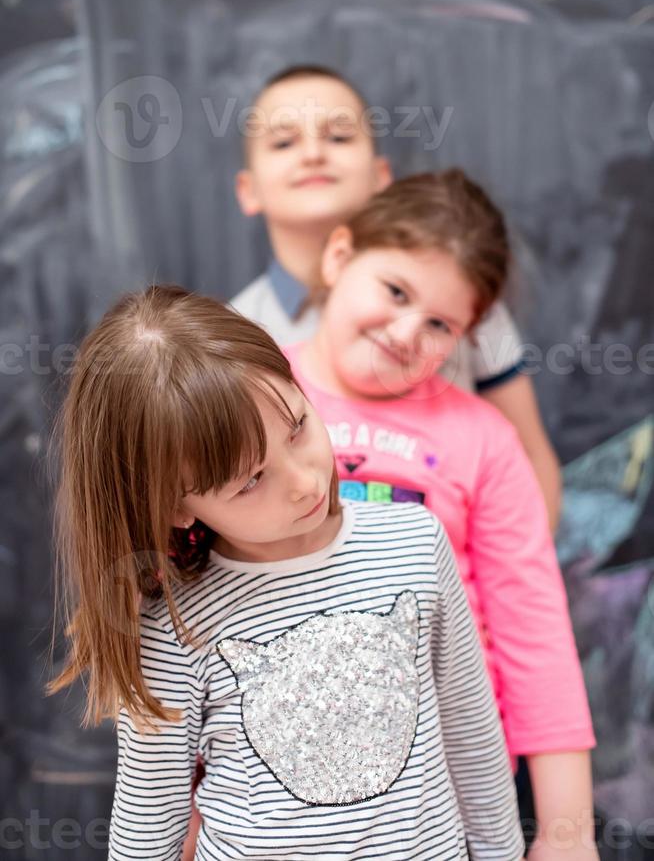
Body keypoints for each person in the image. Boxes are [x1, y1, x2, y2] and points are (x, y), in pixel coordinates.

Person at [48, 285, 524, 860]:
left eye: (297, 425)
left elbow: (472, 737)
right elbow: (150, 819)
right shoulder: (173, 625)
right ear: (176, 506)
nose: (303, 481)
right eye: (250, 480)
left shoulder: (415, 544)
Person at [287, 171, 599, 861]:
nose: (406, 333)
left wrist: (566, 833)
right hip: (274, 785)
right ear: (340, 257)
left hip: (444, 793)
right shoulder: (250, 395)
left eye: (440, 325)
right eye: (396, 291)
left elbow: (534, 631)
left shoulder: (484, 441)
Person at [231, 64, 562, 529]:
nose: (312, 154)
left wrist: (519, 577)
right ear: (249, 190)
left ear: (380, 174)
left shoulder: (470, 310)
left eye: (339, 137)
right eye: (284, 142)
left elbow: (529, 457)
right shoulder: (230, 335)